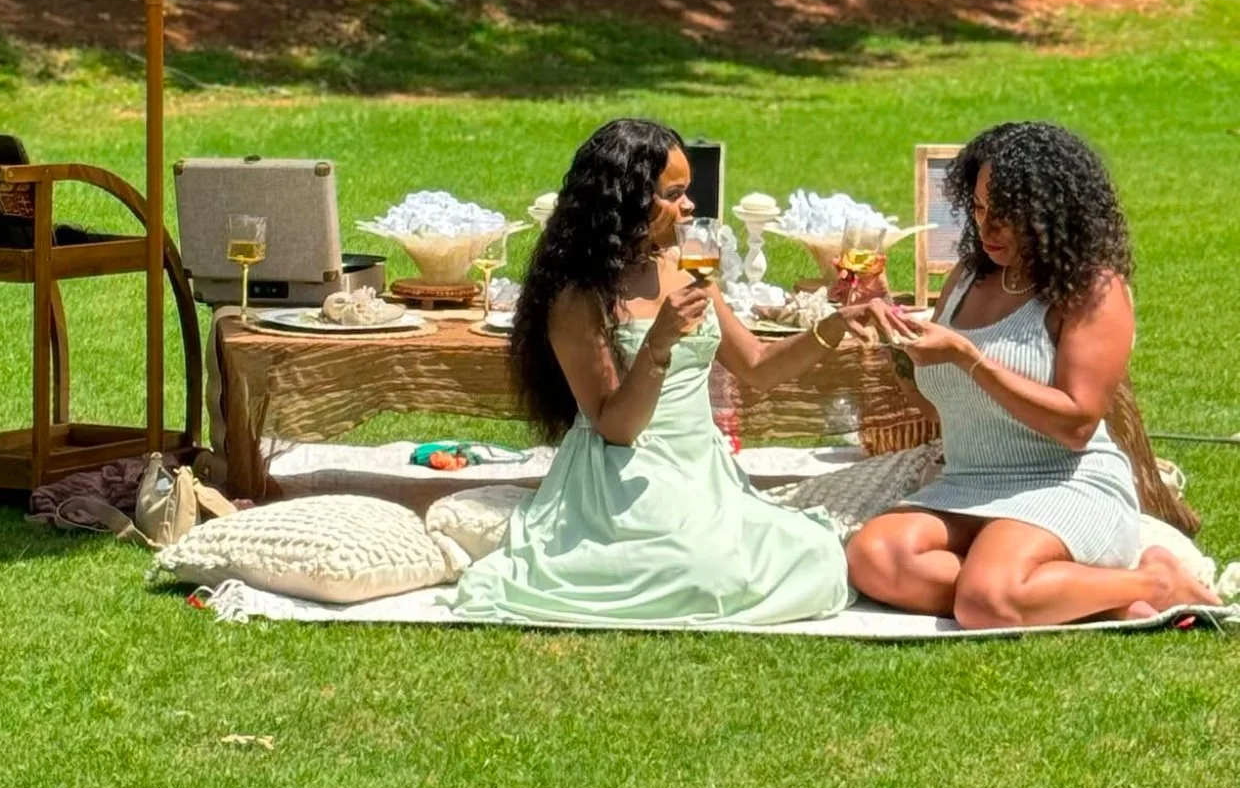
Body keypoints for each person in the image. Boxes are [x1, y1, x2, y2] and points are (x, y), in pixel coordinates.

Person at [452, 118, 916, 628]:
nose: (691, 206)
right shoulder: (578, 297)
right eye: (674, 193)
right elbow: (616, 426)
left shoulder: (689, 265)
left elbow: (757, 367)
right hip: (626, 470)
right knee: (705, 576)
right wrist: (659, 341)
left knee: (817, 556)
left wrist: (835, 325)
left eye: (688, 191)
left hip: (703, 466)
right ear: (627, 200)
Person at [845, 121, 1218, 629]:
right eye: (977, 209)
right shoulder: (966, 278)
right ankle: (1080, 595)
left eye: (1005, 215)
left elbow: (1076, 423)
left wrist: (965, 356)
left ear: (1052, 210)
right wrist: (903, 347)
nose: (986, 228)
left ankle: (1156, 582)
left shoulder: (1091, 290)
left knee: (983, 605)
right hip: (968, 481)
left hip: (1063, 481)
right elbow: (947, 393)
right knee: (875, 556)